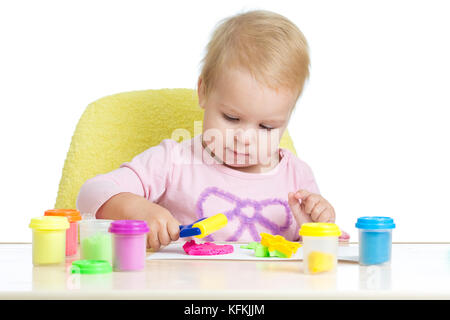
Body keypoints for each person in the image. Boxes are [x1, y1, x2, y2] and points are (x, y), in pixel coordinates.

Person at [76, 10, 350, 251]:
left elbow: (321, 264)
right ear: (203, 91)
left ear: (287, 117)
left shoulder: (297, 178)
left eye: (266, 126)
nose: (244, 139)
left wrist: (315, 231)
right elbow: (90, 194)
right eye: (231, 118)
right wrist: (135, 208)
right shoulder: (173, 161)